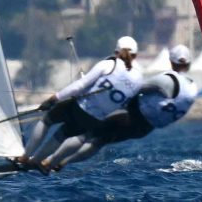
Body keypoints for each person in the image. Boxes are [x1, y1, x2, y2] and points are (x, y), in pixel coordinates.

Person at [36, 46, 200, 171]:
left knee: (87, 134)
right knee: (100, 141)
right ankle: (62, 164)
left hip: (131, 117)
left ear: (171, 61)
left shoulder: (168, 79)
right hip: (145, 129)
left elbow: (136, 89)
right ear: (189, 63)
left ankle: (49, 161)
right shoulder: (192, 88)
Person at [15, 36, 141, 170]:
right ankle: (40, 161)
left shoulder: (110, 64)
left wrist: (55, 98)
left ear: (116, 51)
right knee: (64, 134)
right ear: (136, 55)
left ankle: (26, 157)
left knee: (47, 120)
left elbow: (80, 85)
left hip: (79, 107)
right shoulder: (139, 79)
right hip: (96, 119)